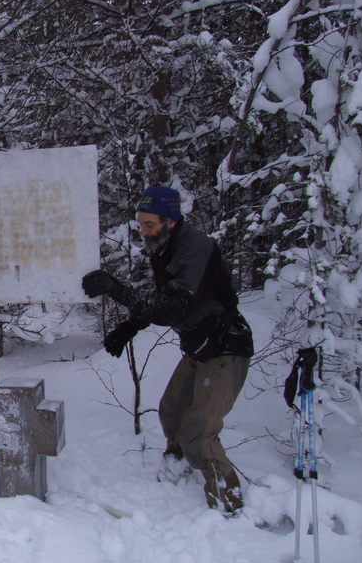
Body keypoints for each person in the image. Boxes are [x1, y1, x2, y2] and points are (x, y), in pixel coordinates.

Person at [82, 186, 253, 514]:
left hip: (225, 346)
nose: (143, 231)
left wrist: (118, 290)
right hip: (199, 345)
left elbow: (174, 306)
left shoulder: (197, 249)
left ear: (170, 221)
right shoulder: (166, 248)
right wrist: (129, 327)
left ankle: (228, 506)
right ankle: (179, 468)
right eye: (141, 225)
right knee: (171, 410)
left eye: (149, 225)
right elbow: (164, 299)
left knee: (199, 430)